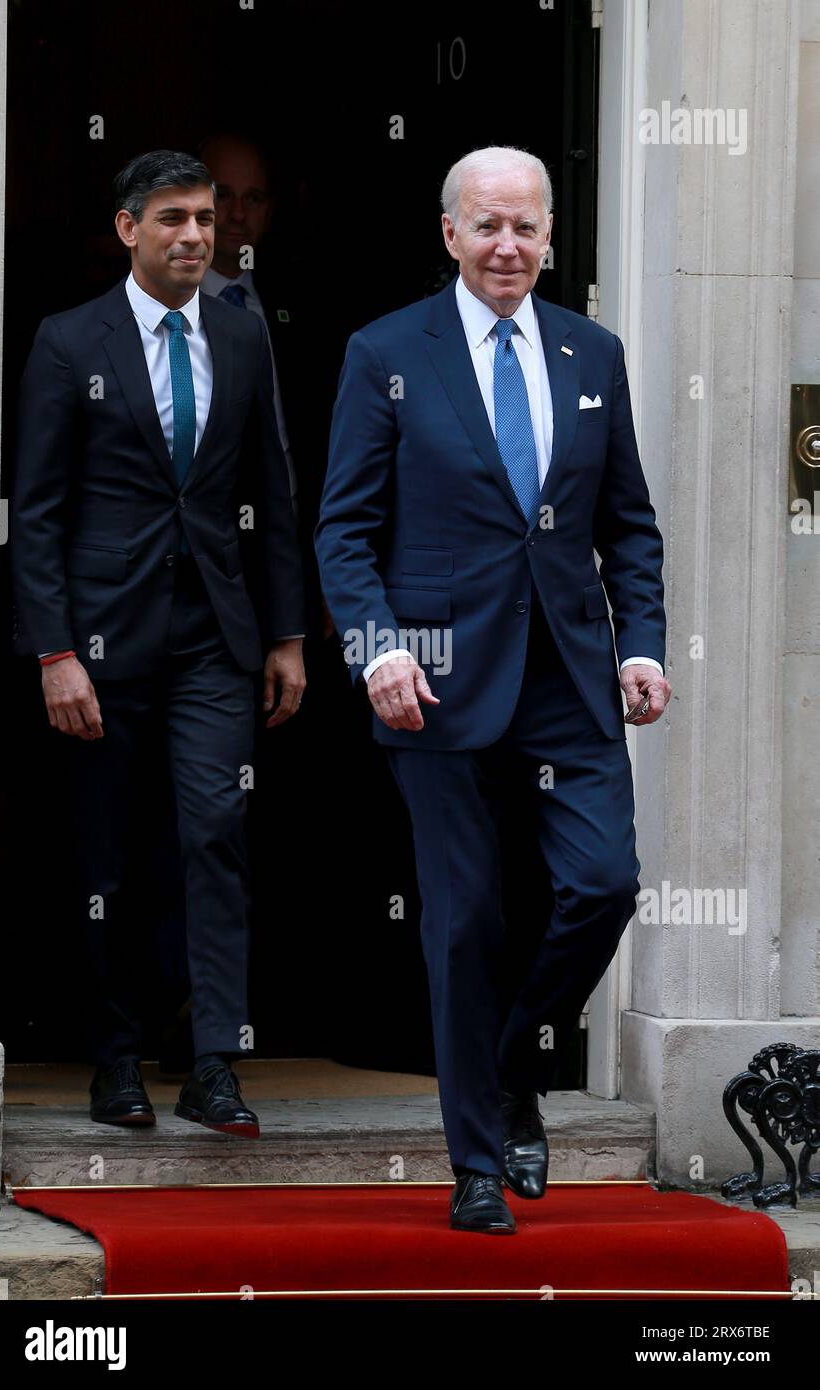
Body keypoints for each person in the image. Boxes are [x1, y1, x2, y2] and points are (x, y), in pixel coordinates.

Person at [315, 145, 671, 1233]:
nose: (507, 245)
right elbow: (343, 527)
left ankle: (511, 1058)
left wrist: (641, 643)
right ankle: (475, 1159)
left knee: (601, 883)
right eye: (487, 226)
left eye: (526, 227)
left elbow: (627, 526)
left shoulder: (590, 353)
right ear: (449, 234)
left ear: (549, 233)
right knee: (464, 922)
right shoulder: (385, 352)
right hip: (430, 678)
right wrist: (374, 649)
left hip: (569, 674)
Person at [10, 149, 307, 1138]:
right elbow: (38, 511)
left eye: (206, 220)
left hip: (213, 638)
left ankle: (214, 1060)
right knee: (108, 855)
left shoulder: (242, 332)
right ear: (129, 228)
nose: (193, 235)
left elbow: (273, 486)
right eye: (173, 217)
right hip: (100, 641)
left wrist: (287, 634)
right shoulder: (67, 341)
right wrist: (54, 650)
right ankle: (114, 1059)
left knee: (213, 834)